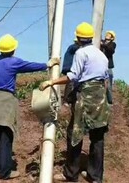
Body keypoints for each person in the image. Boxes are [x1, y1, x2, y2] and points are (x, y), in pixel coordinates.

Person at [0, 34, 59, 180]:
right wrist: (48, 64)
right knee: (5, 135)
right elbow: (30, 66)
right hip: (5, 100)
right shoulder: (14, 62)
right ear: (13, 49)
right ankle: (5, 172)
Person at [40, 22, 110, 183]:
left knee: (75, 134)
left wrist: (52, 82)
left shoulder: (81, 53)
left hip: (85, 95)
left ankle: (70, 174)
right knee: (97, 137)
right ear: (90, 37)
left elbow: (72, 76)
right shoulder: (101, 55)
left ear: (78, 38)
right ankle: (95, 176)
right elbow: (106, 81)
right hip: (100, 97)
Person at [100, 30, 116, 104]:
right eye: (107, 34)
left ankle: (109, 101)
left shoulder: (112, 44)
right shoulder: (101, 41)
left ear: (112, 38)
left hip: (108, 66)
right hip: (99, 65)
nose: (107, 35)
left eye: (109, 34)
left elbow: (110, 50)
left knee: (109, 84)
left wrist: (103, 45)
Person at [61, 39, 79, 104]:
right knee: (70, 82)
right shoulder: (73, 47)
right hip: (69, 67)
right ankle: (67, 100)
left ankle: (69, 99)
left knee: (71, 82)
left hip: (69, 67)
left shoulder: (72, 47)